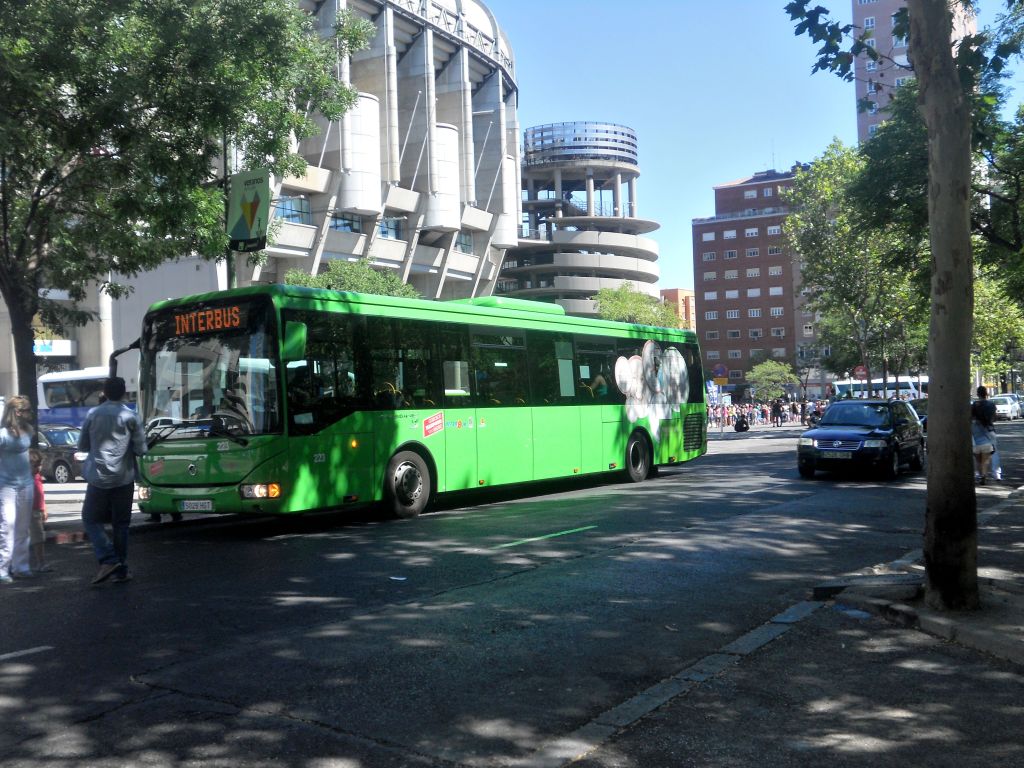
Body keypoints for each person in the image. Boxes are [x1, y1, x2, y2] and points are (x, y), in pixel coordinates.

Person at [79, 376, 147, 585]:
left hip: (98, 478)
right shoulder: (131, 416)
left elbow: (82, 446)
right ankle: (121, 569)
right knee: (121, 524)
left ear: (105, 393)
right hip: (123, 478)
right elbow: (141, 449)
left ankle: (108, 558)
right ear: (124, 392)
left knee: (90, 519)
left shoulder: (93, 414)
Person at [0, 395, 35, 583]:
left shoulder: (28, 431)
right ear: (18, 412)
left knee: (23, 527)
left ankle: (21, 566)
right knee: (8, 525)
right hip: (6, 485)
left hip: (26, 483)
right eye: (28, 410)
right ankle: (3, 568)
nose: (31, 413)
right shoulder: (3, 435)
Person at [28, 449, 52, 573]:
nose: (38, 468)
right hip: (24, 511)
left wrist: (44, 508)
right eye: (35, 465)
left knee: (38, 538)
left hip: (36, 511)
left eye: (40, 465)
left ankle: (41, 563)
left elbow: (41, 494)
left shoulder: (37, 477)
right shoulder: (22, 478)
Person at [971, 385, 997, 484]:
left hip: (976, 434)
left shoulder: (974, 405)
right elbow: (994, 418)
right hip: (989, 432)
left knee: (978, 459)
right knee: (986, 459)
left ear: (978, 394)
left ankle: (981, 475)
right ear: (986, 394)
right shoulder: (991, 405)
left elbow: (970, 417)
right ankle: (984, 476)